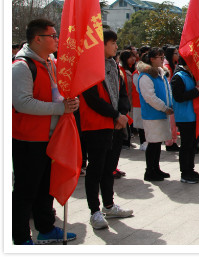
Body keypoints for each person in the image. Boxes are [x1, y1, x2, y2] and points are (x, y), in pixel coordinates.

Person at [12, 19, 78, 244]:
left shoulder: (52, 63)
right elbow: (23, 103)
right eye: (53, 36)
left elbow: (59, 94)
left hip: (52, 138)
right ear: (37, 39)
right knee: (25, 191)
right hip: (28, 139)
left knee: (45, 189)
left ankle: (46, 229)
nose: (57, 40)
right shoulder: (21, 67)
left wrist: (71, 102)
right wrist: (60, 108)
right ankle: (21, 238)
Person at [79, 30, 133, 230]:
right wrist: (115, 115)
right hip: (96, 125)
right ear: (101, 44)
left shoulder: (114, 67)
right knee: (95, 169)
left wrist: (122, 114)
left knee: (109, 168)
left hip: (115, 125)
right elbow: (92, 99)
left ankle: (109, 205)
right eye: (113, 43)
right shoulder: (88, 68)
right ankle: (94, 211)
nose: (116, 47)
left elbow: (123, 94)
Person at [136, 47, 174, 181]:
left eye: (163, 57)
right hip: (152, 115)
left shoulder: (160, 74)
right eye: (160, 57)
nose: (163, 60)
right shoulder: (145, 76)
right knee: (152, 143)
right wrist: (164, 107)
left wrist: (170, 105)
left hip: (162, 113)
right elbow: (150, 97)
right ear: (152, 59)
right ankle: (149, 171)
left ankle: (156, 168)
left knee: (158, 143)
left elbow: (167, 91)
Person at [171, 57, 199, 183]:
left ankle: (191, 169)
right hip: (185, 116)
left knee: (193, 145)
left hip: (195, 115)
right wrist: (195, 91)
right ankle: (185, 172)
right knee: (186, 145)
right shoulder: (178, 77)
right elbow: (178, 97)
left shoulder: (195, 75)